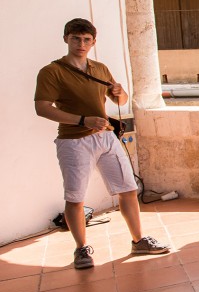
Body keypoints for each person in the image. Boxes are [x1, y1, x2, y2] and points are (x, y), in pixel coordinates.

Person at [34, 18, 170, 269]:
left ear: (94, 42)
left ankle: (138, 240)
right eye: (76, 38)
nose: (81, 44)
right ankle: (81, 249)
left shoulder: (99, 68)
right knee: (75, 197)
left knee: (128, 189)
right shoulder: (52, 72)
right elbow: (42, 108)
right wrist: (83, 119)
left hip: (106, 137)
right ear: (66, 39)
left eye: (86, 40)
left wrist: (121, 93)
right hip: (74, 141)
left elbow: (119, 101)